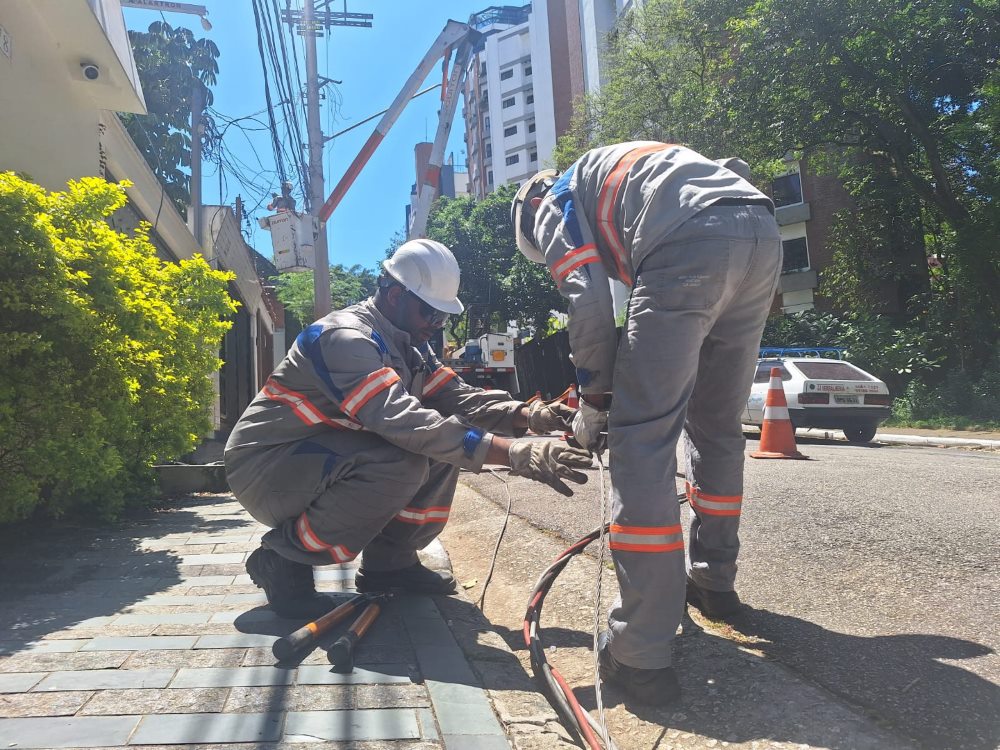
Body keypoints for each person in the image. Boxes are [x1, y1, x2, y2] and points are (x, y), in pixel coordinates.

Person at [511, 142, 782, 705]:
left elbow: (585, 304)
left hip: (686, 247)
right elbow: (735, 175)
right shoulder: (632, 167)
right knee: (716, 429)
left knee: (643, 445)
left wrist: (595, 402)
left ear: (530, 209)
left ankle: (639, 654)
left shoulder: (554, 201)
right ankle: (713, 582)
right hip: (759, 232)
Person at [224, 239, 590, 619]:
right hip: (264, 468)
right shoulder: (345, 338)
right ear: (396, 294)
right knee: (403, 461)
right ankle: (283, 560)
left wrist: (530, 415)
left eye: (441, 318)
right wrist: (513, 452)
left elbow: (457, 398)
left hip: (311, 459)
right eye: (429, 314)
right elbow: (406, 422)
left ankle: (390, 565)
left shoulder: (409, 345)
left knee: (443, 447)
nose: (435, 325)